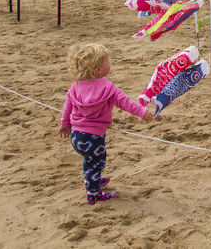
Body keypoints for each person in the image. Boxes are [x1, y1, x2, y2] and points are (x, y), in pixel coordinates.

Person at [58, 43, 153, 205]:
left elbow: (67, 107)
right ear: (97, 69)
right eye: (107, 62)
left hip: (76, 135)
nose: (110, 64)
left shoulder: (75, 87)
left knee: (94, 159)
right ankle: (93, 193)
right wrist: (142, 112)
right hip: (94, 136)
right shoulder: (107, 87)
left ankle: (93, 179)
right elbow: (126, 103)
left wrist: (64, 124)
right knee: (94, 161)